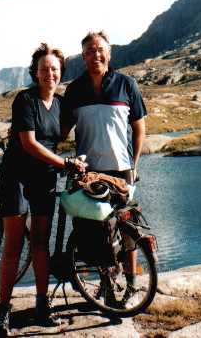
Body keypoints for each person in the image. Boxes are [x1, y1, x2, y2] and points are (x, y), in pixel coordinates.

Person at [0, 43, 85, 335]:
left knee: (40, 244)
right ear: (35, 72)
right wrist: (64, 163)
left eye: (55, 69)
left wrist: (77, 159)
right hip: (17, 178)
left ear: (61, 73)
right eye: (45, 69)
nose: (50, 74)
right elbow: (30, 143)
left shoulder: (59, 104)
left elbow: (58, 135)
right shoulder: (25, 100)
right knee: (13, 246)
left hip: (44, 178)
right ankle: (3, 311)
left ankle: (41, 307)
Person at [61, 30, 147, 304]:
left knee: (127, 227)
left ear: (108, 54)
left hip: (121, 169)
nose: (95, 55)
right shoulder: (74, 90)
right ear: (83, 57)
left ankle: (132, 285)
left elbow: (139, 129)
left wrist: (133, 166)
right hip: (88, 173)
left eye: (100, 50)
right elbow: (61, 131)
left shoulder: (126, 84)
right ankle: (107, 284)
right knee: (95, 231)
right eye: (88, 51)